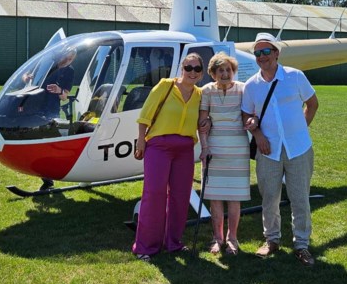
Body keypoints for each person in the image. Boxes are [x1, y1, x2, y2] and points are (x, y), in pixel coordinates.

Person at [241, 33, 319, 266]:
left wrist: (300, 129)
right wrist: (257, 134)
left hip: (299, 149)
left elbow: (312, 103)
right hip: (268, 151)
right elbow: (246, 113)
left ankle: (301, 245)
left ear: (276, 53)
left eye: (266, 52)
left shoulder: (295, 76)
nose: (262, 57)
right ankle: (271, 240)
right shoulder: (251, 85)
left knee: (299, 198)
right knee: (269, 197)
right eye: (258, 53)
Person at [132, 53, 204, 261]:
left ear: (201, 72)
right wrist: (140, 140)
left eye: (196, 69)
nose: (192, 72)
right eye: (188, 68)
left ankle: (173, 242)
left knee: (180, 197)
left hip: (184, 149)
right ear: (182, 69)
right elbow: (145, 115)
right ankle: (146, 246)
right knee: (154, 194)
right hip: (159, 146)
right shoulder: (165, 86)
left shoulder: (200, 94)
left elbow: (202, 120)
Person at [198, 52, 251, 256]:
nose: (225, 73)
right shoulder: (206, 91)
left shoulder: (243, 89)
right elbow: (202, 123)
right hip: (214, 148)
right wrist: (204, 148)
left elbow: (252, 113)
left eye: (228, 70)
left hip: (238, 148)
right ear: (213, 73)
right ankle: (217, 238)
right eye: (220, 70)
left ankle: (233, 238)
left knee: (234, 197)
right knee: (215, 197)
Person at [22, 48, 76, 191]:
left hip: (52, 109)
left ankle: (48, 180)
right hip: (35, 106)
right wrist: (26, 77)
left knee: (50, 142)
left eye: (71, 59)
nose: (67, 61)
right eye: (66, 57)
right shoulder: (47, 63)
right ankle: (44, 175)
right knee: (35, 140)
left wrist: (59, 90)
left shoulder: (69, 71)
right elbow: (27, 75)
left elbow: (65, 96)